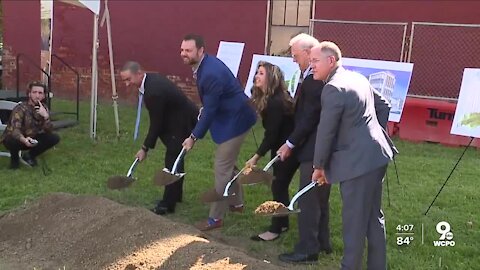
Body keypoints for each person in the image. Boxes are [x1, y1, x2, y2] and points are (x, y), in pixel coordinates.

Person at [310, 41, 396, 269]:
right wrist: (371, 135)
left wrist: (319, 166)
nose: (311, 66)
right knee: (373, 220)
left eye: (315, 61)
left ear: (331, 61)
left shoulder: (332, 88)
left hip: (358, 164)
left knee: (354, 225)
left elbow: (325, 132)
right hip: (377, 156)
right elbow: (384, 105)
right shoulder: (357, 78)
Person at [180, 34, 256, 231]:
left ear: (200, 50)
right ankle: (237, 204)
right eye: (182, 50)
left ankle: (215, 218)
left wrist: (193, 137)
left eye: (188, 50)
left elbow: (210, 110)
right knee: (227, 164)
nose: (184, 54)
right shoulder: (205, 66)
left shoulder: (210, 73)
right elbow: (211, 104)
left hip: (237, 120)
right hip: (231, 115)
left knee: (221, 166)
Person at [276, 33, 332, 264]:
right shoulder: (312, 77)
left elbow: (310, 116)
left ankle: (308, 249)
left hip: (314, 147)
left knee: (308, 198)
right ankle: (322, 242)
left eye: (296, 55)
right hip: (321, 145)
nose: (293, 60)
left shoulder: (314, 80)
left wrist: (290, 142)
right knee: (320, 196)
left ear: (310, 54)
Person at [120, 61, 198, 215]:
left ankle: (167, 204)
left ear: (139, 74)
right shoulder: (151, 80)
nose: (127, 84)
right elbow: (160, 120)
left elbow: (156, 123)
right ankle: (176, 196)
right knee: (176, 156)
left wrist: (144, 149)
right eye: (124, 80)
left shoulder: (153, 91)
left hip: (183, 121)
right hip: (177, 118)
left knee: (172, 160)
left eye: (129, 79)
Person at [246, 61, 298, 241]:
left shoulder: (276, 102)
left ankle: (275, 229)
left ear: (271, 77)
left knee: (278, 186)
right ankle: (282, 223)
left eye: (261, 73)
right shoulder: (274, 98)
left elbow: (271, 135)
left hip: (289, 150)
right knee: (279, 185)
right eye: (257, 73)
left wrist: (255, 158)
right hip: (282, 148)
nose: (256, 77)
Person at [0, 81, 60, 169]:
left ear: (43, 96)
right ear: (29, 94)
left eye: (40, 93)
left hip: (32, 137)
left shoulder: (43, 108)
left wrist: (46, 117)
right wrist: (24, 140)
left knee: (54, 138)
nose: (37, 95)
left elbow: (49, 130)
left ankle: (30, 156)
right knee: (11, 139)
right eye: (34, 92)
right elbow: (14, 129)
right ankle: (14, 161)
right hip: (17, 138)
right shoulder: (20, 108)